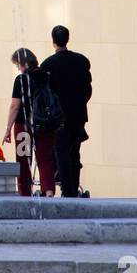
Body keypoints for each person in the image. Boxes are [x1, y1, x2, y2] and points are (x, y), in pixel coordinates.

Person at [40, 24, 92, 197]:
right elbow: (87, 89)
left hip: (59, 117)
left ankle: (67, 189)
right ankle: (74, 187)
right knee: (75, 151)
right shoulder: (81, 61)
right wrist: (79, 103)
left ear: (53, 41)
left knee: (61, 152)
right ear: (67, 39)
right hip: (78, 114)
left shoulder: (48, 64)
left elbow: (46, 93)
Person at [3, 47, 56, 196]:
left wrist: (8, 129)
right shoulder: (46, 76)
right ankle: (49, 191)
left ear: (22, 63)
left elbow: (15, 106)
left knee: (23, 160)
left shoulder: (21, 80)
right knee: (45, 158)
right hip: (44, 124)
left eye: (17, 65)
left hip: (23, 125)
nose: (18, 68)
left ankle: (24, 193)